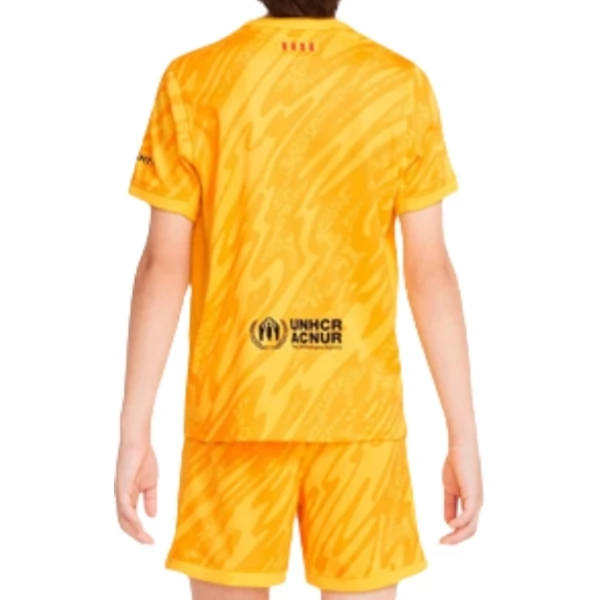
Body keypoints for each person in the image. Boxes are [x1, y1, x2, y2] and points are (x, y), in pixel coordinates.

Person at [114, 0, 483, 598]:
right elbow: (430, 270)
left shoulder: (193, 79)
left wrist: (134, 431)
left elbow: (162, 265)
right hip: (359, 416)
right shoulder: (400, 84)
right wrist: (462, 435)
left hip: (235, 409)